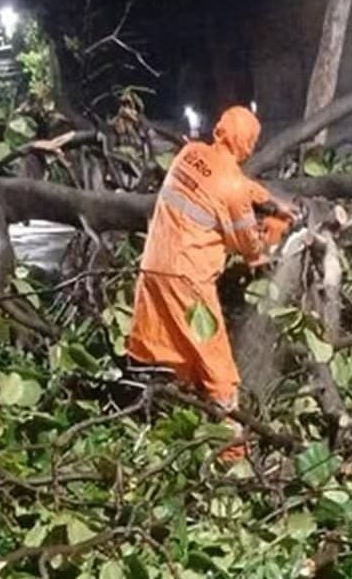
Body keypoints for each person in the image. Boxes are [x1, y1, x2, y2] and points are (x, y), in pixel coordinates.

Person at [127, 106, 293, 461]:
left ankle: (175, 422)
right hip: (188, 280)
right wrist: (275, 232)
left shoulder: (191, 153)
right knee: (219, 369)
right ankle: (231, 457)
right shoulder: (232, 188)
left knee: (179, 354)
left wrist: (265, 199)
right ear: (247, 142)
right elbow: (250, 249)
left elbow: (225, 182)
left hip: (155, 267)